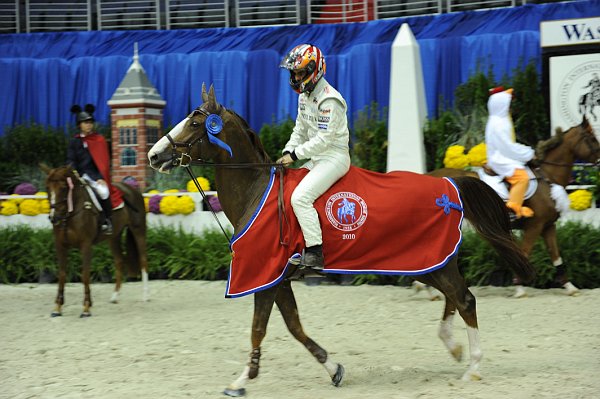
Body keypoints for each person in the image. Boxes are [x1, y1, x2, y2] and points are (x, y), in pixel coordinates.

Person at [277, 44, 351, 270]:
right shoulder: (304, 97)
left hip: (334, 157)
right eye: (295, 73)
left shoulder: (330, 100)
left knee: (299, 197)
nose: (297, 77)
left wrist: (295, 155)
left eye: (301, 72)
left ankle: (315, 253)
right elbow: (299, 129)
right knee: (286, 190)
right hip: (316, 158)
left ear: (315, 70)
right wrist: (287, 151)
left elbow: (324, 140)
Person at [485, 87, 535, 219]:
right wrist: (528, 153)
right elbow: (508, 148)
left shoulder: (498, 120)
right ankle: (512, 208)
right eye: (508, 104)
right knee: (522, 178)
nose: (510, 107)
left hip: (501, 155)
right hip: (500, 158)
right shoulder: (499, 123)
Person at [67, 104, 113, 234]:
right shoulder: (74, 142)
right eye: (85, 123)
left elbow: (103, 162)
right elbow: (70, 160)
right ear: (79, 125)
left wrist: (100, 177)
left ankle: (107, 221)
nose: (89, 125)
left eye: (90, 122)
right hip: (79, 175)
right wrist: (73, 172)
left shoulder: (98, 140)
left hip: (94, 176)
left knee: (103, 192)